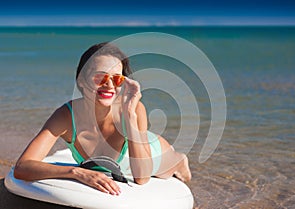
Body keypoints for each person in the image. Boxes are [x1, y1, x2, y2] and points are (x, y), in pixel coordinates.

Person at [14, 42, 191, 196]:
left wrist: (129, 114)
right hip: (120, 160)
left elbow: (142, 178)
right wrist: (76, 172)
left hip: (152, 151)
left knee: (169, 170)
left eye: (117, 79)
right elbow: (22, 167)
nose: (109, 85)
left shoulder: (134, 109)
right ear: (81, 81)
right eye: (100, 76)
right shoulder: (66, 116)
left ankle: (180, 160)